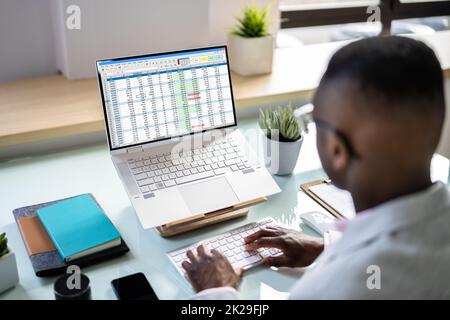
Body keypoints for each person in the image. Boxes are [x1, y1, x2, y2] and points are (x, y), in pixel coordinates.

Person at [181, 36, 450, 299]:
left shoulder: (331, 289)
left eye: (314, 121)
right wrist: (328, 246)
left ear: (337, 150)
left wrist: (216, 290)